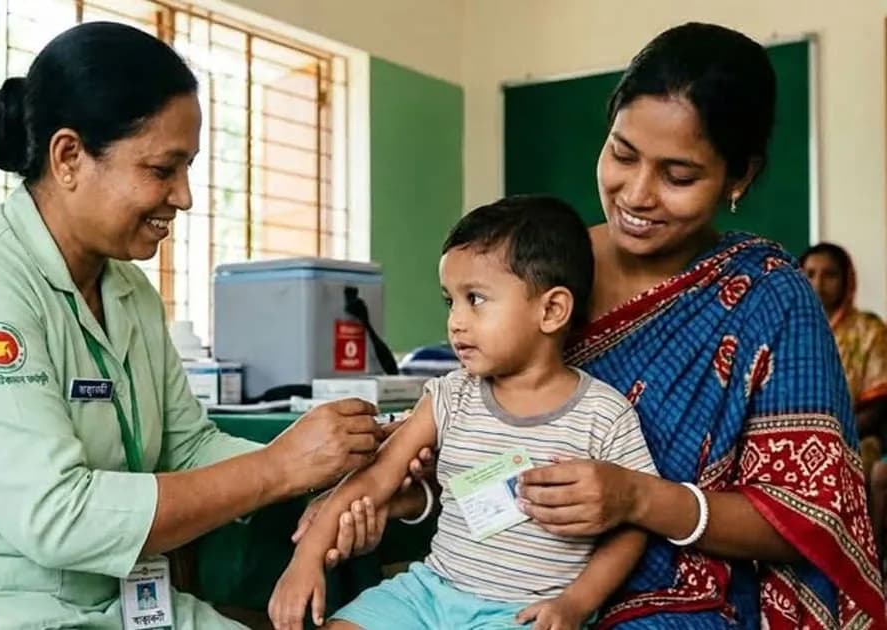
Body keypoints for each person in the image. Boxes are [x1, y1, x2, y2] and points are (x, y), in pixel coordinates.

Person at [0, 22, 385, 630]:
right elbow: (58, 517)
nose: (183, 197)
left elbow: (187, 448)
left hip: (107, 605)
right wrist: (276, 469)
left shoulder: (127, 290)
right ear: (69, 157)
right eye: (163, 169)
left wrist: (330, 463)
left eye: (188, 169)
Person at [313, 22, 887, 628]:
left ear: (739, 177)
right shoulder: (531, 276)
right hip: (502, 587)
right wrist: (410, 496)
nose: (636, 194)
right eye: (622, 153)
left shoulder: (768, 299)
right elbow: (487, 455)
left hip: (682, 597)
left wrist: (637, 498)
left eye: (679, 175)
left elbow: (805, 518)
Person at [270, 196, 659, 630]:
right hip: (429, 592)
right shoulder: (450, 395)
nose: (455, 321)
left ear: (551, 310)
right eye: (449, 301)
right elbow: (376, 477)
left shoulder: (604, 414)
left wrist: (575, 604)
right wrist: (305, 560)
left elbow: (633, 526)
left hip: (522, 615)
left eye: (475, 299)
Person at [801, 242, 887, 555]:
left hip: (855, 438)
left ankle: (862, 561)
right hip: (792, 439)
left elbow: (877, 406)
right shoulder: (790, 329)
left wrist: (830, 436)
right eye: (809, 274)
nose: (818, 284)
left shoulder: (869, 329)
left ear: (846, 280)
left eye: (830, 275)